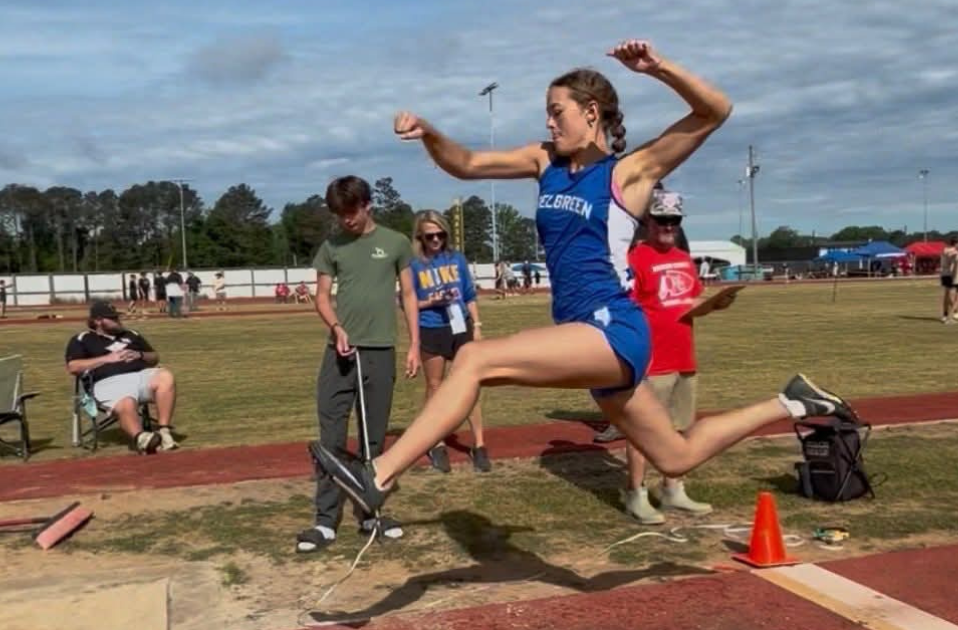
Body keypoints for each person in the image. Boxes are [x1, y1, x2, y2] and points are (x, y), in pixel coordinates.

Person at [310, 39, 858, 518]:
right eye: (546, 114)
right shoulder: (543, 162)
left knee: (474, 358)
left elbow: (715, 111)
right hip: (583, 334)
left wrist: (658, 68)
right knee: (675, 457)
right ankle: (791, 402)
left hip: (614, 327)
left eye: (557, 113)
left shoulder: (628, 172)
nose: (549, 124)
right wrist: (431, 132)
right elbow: (468, 164)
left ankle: (379, 475)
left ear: (591, 113)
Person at [297, 175, 420, 554]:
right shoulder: (332, 247)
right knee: (331, 439)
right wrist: (337, 328)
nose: (346, 220)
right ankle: (325, 521)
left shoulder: (396, 243)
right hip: (339, 354)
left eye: (351, 211)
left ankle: (370, 514)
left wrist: (415, 344)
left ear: (368, 205)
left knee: (373, 439)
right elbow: (321, 296)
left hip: (380, 351)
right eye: (339, 214)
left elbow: (409, 294)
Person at [621, 188, 734, 522]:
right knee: (642, 430)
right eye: (662, 220)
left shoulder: (684, 259)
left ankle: (673, 489)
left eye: (674, 220)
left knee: (681, 427)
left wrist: (715, 304)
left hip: (684, 356)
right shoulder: (635, 258)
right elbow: (627, 307)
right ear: (649, 221)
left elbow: (691, 302)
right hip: (651, 359)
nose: (668, 226)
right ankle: (636, 494)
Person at [409, 209, 491, 473]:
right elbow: (407, 302)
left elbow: (469, 295)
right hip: (431, 328)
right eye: (430, 236)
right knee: (435, 386)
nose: (436, 240)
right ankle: (436, 442)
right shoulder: (414, 265)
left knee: (470, 383)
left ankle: (479, 444)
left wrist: (477, 326)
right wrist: (431, 301)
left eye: (440, 234)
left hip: (460, 326)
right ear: (420, 237)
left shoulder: (457, 259)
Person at [65, 300, 179, 453]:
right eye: (112, 318)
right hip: (107, 383)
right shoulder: (82, 339)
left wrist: (140, 355)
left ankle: (164, 431)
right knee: (126, 402)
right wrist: (106, 359)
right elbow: (73, 367)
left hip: (140, 376)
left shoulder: (131, 335)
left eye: (117, 316)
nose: (118, 320)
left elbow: (154, 357)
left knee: (165, 376)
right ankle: (142, 438)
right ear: (98, 321)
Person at [939, 237, 958, 324]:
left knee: (946, 295)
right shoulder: (954, 251)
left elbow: (946, 254)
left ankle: (945, 315)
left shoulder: (945, 249)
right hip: (949, 274)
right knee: (951, 296)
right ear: (956, 243)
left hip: (943, 273)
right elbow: (952, 256)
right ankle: (952, 316)